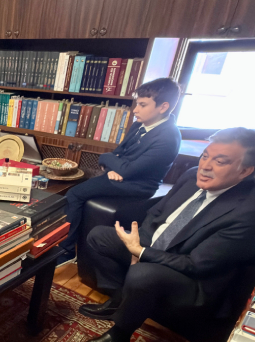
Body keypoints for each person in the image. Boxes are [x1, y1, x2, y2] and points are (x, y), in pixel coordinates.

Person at [73, 128, 255, 342]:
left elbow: (196, 265)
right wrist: (140, 242)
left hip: (194, 279)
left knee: (143, 274)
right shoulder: (192, 176)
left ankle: (119, 338)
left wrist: (142, 253)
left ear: (245, 170)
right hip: (157, 248)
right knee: (99, 236)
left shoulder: (248, 214)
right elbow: (157, 213)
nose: (205, 166)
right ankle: (119, 299)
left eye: (219, 162)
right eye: (205, 156)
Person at [54, 78, 183, 267]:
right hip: (122, 176)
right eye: (137, 104)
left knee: (74, 193)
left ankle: (66, 252)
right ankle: (65, 243)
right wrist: (112, 167)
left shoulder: (168, 137)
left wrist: (108, 159)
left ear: (163, 107)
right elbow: (118, 153)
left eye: (142, 105)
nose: (135, 110)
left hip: (137, 186)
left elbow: (125, 167)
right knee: (77, 187)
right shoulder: (139, 125)